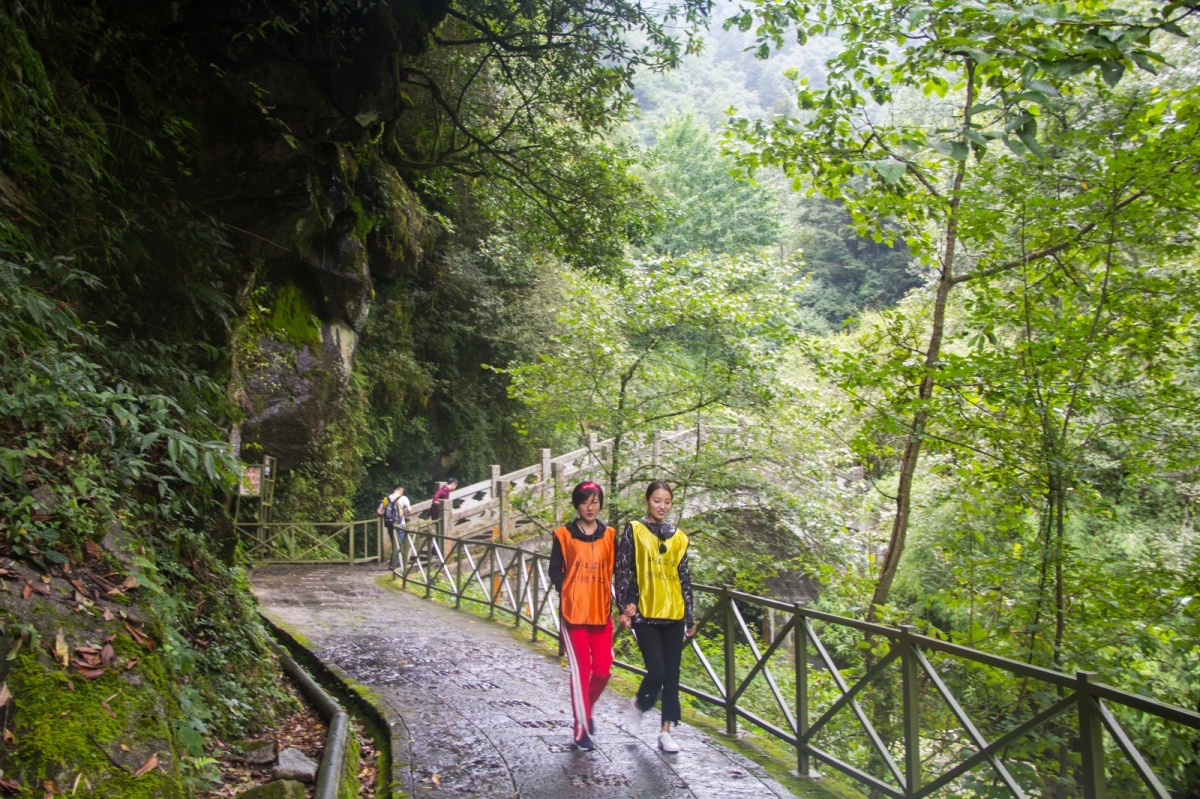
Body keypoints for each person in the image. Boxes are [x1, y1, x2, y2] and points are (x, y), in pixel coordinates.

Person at [614, 480, 696, 754]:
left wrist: (690, 616)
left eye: (667, 501)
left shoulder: (679, 537)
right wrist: (626, 604)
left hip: (674, 612)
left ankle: (665, 732)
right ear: (647, 500)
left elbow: (684, 578)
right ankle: (639, 705)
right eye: (657, 500)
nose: (662, 506)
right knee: (657, 671)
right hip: (646, 613)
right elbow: (624, 570)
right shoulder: (634, 530)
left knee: (672, 675)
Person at [549, 481, 617, 752]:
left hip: (601, 611)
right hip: (574, 612)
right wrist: (567, 589)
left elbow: (619, 572)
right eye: (585, 501)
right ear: (577, 504)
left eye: (595, 501)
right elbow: (555, 569)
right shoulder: (563, 535)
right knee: (581, 671)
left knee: (603, 669)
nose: (591, 507)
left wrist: (627, 603)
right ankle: (580, 729)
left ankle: (585, 709)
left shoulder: (611, 535)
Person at [376, 483, 411, 570]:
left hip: (390, 525)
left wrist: (386, 515)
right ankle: (394, 564)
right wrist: (405, 516)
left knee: (394, 543)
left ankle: (396, 562)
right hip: (400, 524)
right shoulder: (404, 498)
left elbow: (378, 512)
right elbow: (409, 509)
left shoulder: (386, 499)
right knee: (398, 544)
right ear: (400, 490)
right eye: (402, 490)